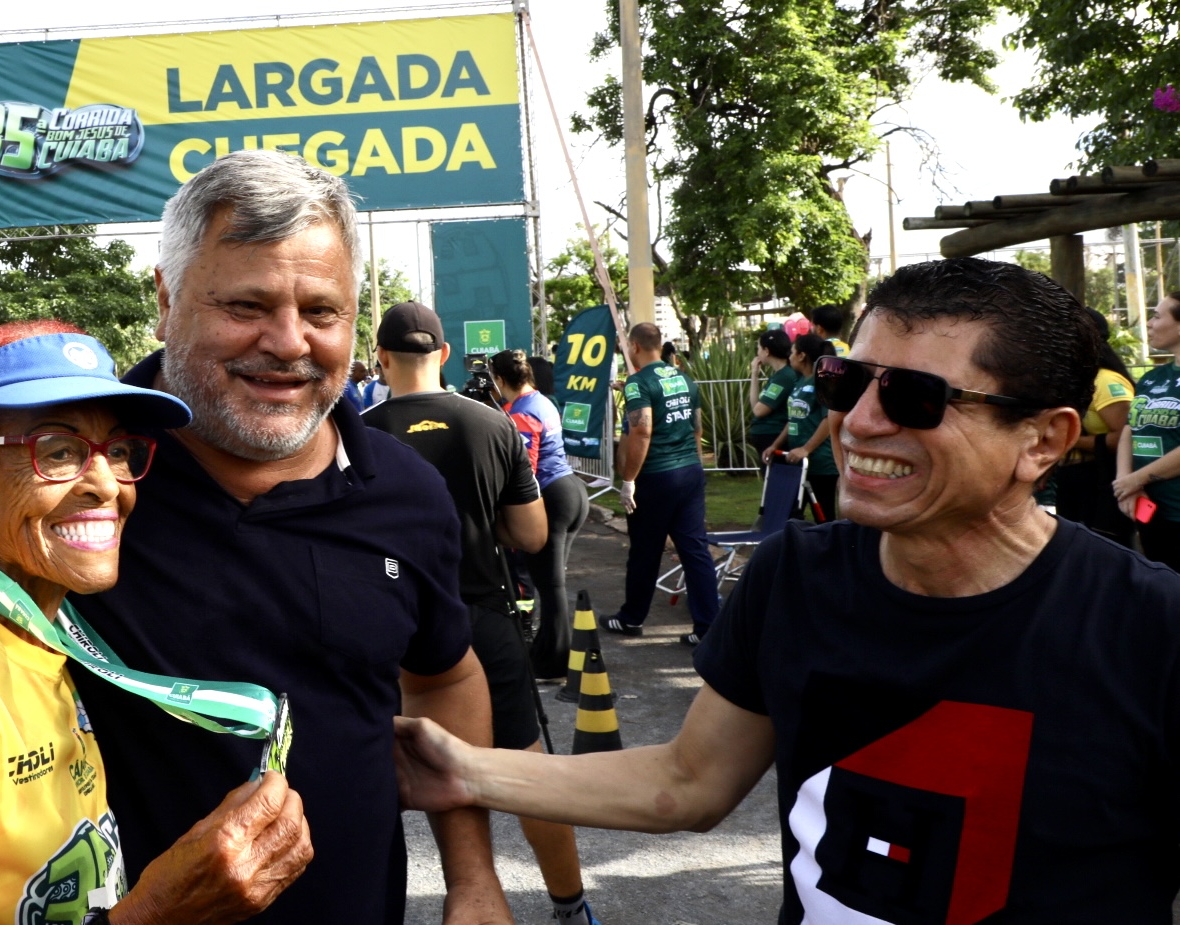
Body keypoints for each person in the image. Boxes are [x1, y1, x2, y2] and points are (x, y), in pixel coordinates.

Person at [0, 150, 509, 924]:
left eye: (321, 312)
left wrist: (473, 878)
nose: (287, 341)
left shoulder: (407, 492)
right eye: (245, 305)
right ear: (165, 301)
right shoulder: (67, 494)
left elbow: (444, 677)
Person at [394, 258, 1180, 921]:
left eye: (913, 397)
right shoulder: (794, 577)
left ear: (1043, 440)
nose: (860, 422)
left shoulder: (1152, 627)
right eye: (846, 382)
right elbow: (686, 780)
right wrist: (463, 766)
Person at [0, 320, 315, 924]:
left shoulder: (38, 631)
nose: (105, 485)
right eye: (58, 451)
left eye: (117, 451)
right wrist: (155, 914)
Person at [363, 304, 599, 925]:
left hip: (388, 627)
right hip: (480, 617)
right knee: (522, 771)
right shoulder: (493, 425)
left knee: (366, 774)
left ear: (381, 357)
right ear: (443, 355)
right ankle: (572, 908)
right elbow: (531, 533)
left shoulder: (356, 433)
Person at [603, 322, 718, 647]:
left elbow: (642, 431)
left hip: (656, 476)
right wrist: (694, 464)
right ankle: (709, 626)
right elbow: (696, 427)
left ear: (635, 347)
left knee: (644, 551)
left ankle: (631, 618)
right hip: (689, 472)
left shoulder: (639, 383)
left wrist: (628, 480)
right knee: (695, 550)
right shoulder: (683, 377)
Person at [490, 349, 590, 680]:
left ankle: (554, 662)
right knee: (551, 583)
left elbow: (524, 471)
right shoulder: (543, 401)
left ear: (500, 380)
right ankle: (549, 653)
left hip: (552, 495)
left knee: (550, 585)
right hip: (570, 489)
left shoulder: (520, 413)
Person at [1055, 308, 1134, 544]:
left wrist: (1072, 439)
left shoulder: (1106, 381)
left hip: (1099, 481)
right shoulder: (1076, 379)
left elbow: (1126, 437)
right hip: (1070, 478)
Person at [1116, 291, 1180, 568]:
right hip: (1149, 508)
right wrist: (1126, 483)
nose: (1150, 324)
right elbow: (1130, 430)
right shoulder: (1153, 378)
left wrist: (1136, 479)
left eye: (1156, 316)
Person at [763, 333, 838, 521]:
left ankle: (828, 550)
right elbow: (793, 418)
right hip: (797, 463)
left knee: (824, 517)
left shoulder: (822, 382)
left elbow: (828, 419)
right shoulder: (799, 382)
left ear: (802, 355)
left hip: (821, 464)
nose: (789, 356)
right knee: (789, 514)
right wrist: (776, 445)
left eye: (792, 352)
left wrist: (806, 449)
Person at [746, 328, 798, 468]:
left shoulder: (784, 377)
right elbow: (756, 405)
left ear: (767, 351)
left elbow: (759, 411)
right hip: (767, 436)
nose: (757, 353)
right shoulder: (778, 376)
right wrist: (754, 374)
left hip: (773, 434)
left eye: (759, 348)